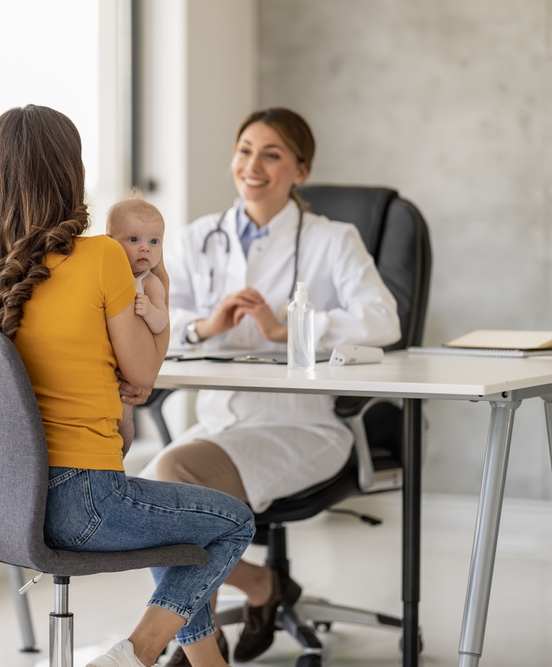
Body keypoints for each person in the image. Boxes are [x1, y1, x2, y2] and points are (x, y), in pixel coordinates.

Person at [0, 104, 255, 667]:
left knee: (183, 540)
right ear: (70, 174)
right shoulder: (100, 257)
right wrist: (160, 290)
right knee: (233, 521)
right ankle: (139, 655)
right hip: (83, 500)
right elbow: (143, 374)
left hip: (5, 503)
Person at [141, 108, 401, 666]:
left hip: (301, 426)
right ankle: (259, 587)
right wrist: (204, 326)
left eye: (272, 154)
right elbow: (160, 316)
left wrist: (293, 328)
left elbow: (384, 319)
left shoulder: (333, 240)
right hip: (219, 423)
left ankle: (185, 649)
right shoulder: (196, 238)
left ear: (300, 170)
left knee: (168, 485)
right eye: (244, 150)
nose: (252, 165)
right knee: (149, 511)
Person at [105, 196, 169, 455]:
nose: (145, 248)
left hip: (128, 376)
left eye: (154, 241)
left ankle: (119, 462)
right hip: (108, 368)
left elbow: (162, 322)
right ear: (110, 242)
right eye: (134, 240)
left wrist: (150, 311)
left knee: (123, 421)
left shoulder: (149, 282)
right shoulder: (107, 273)